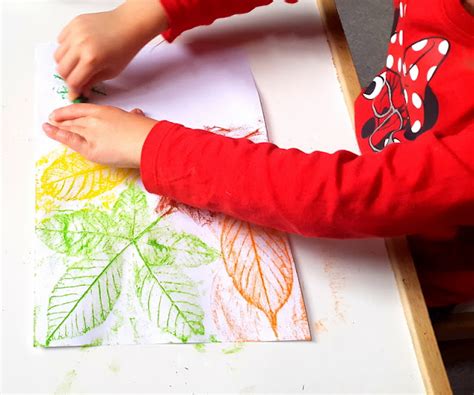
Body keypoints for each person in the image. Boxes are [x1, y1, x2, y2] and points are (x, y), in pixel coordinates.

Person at [43, 0, 474, 308]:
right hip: (370, 136)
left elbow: (348, 199)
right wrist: (147, 12)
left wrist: (152, 147)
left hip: (417, 265)